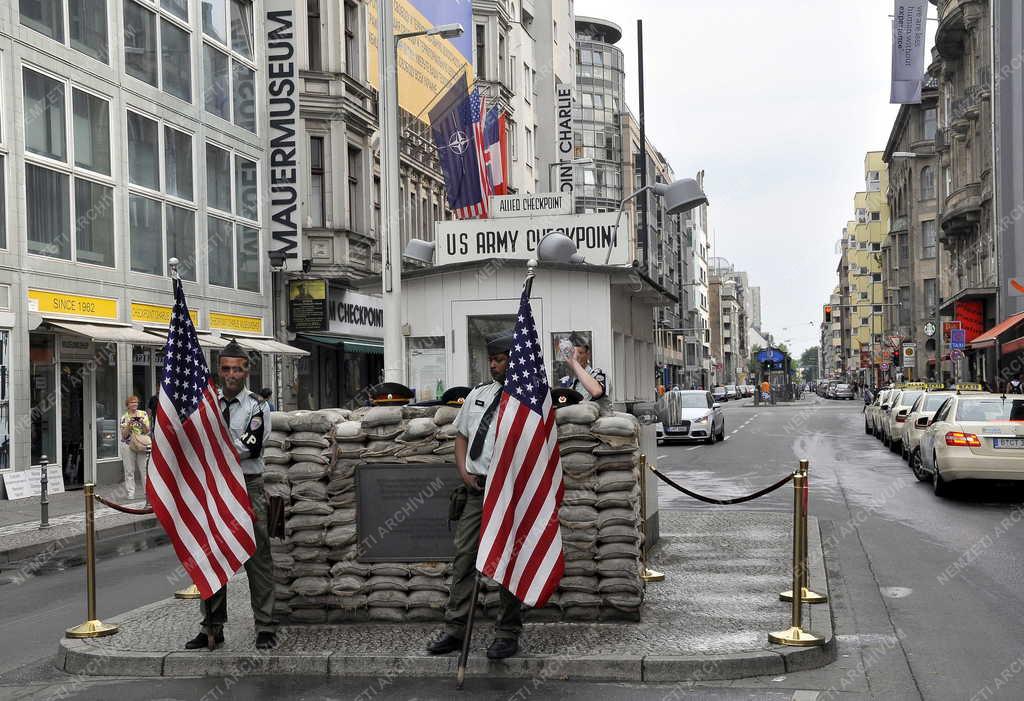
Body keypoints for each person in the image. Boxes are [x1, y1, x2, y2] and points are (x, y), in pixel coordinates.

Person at [427, 329, 523, 660]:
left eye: (498, 359)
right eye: (491, 360)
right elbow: (462, 437)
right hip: (477, 490)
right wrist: (464, 473)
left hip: (510, 493)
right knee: (465, 557)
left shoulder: (529, 401)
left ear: (514, 359)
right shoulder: (479, 395)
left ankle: (507, 632)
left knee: (507, 561)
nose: (493, 366)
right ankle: (456, 629)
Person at [183, 340, 277, 651]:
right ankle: (212, 626)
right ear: (219, 371)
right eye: (226, 369)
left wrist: (213, 449)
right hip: (214, 486)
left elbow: (250, 446)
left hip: (247, 486)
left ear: (247, 371)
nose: (231, 374)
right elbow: (193, 439)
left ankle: (264, 625)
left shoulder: (258, 407)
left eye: (237, 368)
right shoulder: (206, 403)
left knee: (257, 556)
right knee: (212, 555)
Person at [558, 333, 609, 410]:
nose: (576, 357)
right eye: (572, 353)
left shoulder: (597, 374)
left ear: (587, 354)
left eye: (580, 353)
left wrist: (573, 361)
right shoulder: (569, 382)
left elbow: (596, 391)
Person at [119, 396, 151, 501]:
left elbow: (147, 431)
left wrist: (141, 422)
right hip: (128, 444)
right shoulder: (124, 417)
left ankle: (147, 492)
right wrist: (129, 424)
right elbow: (124, 435)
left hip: (141, 444)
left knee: (144, 469)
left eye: (136, 402)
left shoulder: (143, 414)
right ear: (127, 405)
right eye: (132, 402)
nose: (135, 404)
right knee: (129, 470)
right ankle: (130, 493)